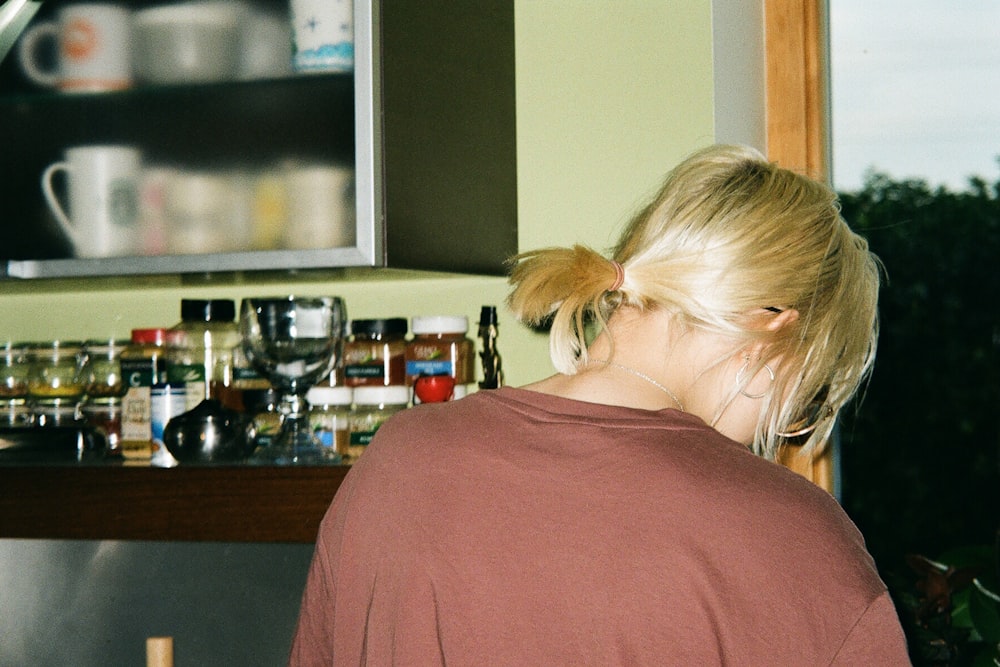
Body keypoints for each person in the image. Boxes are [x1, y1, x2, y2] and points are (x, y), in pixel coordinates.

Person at [288, 144, 911, 665]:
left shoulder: (399, 457)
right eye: (806, 399)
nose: (785, 431)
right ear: (770, 327)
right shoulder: (794, 540)